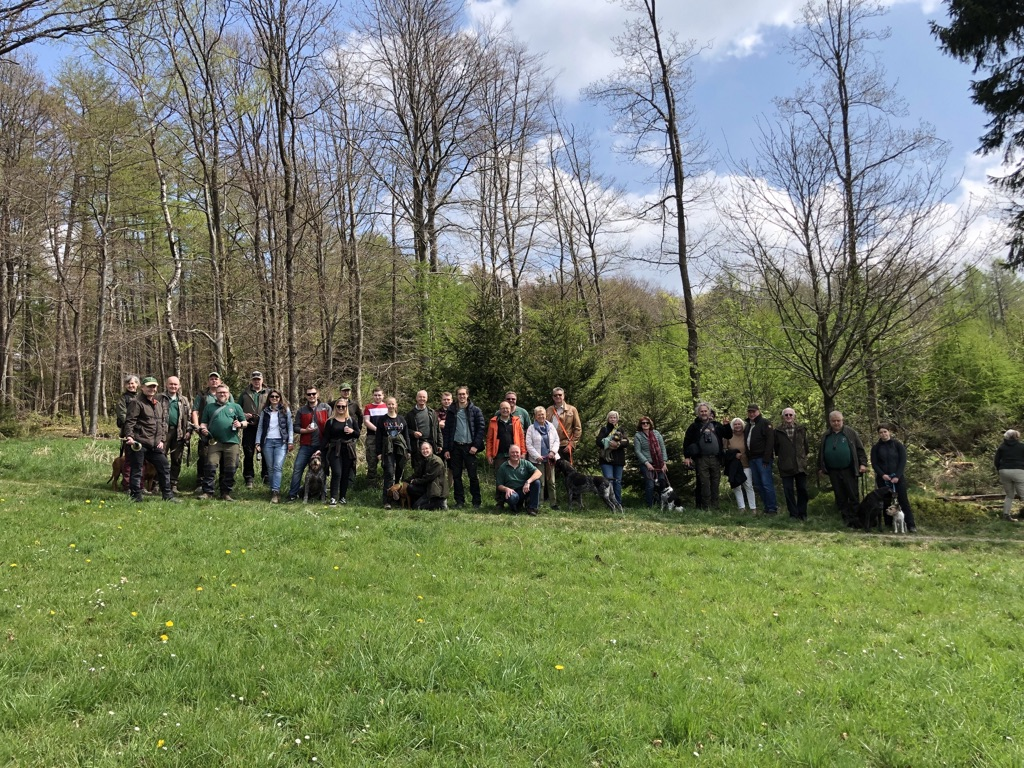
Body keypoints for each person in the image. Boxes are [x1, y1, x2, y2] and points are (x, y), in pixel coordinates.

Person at [123, 377, 178, 503]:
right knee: (137, 470)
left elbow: (162, 424)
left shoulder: (157, 404)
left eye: (154, 387)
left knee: (164, 466)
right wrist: (130, 437)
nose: (151, 389)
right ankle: (136, 496)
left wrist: (162, 440)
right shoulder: (136, 402)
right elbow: (130, 422)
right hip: (139, 442)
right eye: (149, 386)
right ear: (142, 387)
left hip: (155, 444)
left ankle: (168, 496)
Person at [197, 384, 247, 501]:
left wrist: (240, 424)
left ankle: (225, 492)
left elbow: (244, 422)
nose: (222, 394)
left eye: (224, 392)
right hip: (214, 442)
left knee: (230, 468)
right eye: (220, 392)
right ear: (216, 394)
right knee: (210, 466)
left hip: (232, 442)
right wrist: (203, 429)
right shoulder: (209, 407)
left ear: (228, 394)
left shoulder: (236, 407)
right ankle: (208, 492)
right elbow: (203, 422)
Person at [819, 410, 868, 526]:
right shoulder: (826, 435)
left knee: (852, 494)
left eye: (838, 420)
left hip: (848, 469)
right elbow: (821, 452)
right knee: (840, 495)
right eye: (833, 421)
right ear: (830, 422)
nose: (836, 423)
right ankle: (845, 518)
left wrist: (863, 464)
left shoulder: (850, 433)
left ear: (842, 420)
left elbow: (860, 449)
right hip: (833, 470)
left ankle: (856, 518)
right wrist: (821, 467)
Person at [442, 386, 486, 508]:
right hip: (455, 447)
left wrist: (476, 446)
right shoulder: (451, 411)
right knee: (456, 476)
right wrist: (446, 449)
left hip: (470, 448)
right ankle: (459, 501)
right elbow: (447, 431)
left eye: (463, 394)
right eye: (459, 394)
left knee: (473, 476)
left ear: (467, 395)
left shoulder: (475, 410)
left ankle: (476, 502)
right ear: (457, 396)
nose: (461, 396)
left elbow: (481, 429)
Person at [287, 385, 331, 502]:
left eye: (313, 394)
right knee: (298, 468)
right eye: (309, 394)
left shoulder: (325, 408)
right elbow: (295, 427)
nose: (311, 396)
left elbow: (331, 426)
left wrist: (328, 443)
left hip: (322, 445)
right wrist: (305, 431)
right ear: (306, 396)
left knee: (324, 470)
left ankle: (323, 495)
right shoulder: (302, 410)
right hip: (306, 445)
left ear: (318, 394)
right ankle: (293, 494)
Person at [871, 424, 917, 532]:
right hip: (883, 479)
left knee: (903, 501)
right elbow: (874, 463)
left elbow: (902, 461)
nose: (883, 434)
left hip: (897, 478)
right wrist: (882, 475)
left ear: (889, 432)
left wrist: (897, 475)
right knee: (886, 501)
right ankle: (888, 524)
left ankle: (910, 525)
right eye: (881, 432)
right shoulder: (876, 448)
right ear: (879, 434)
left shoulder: (897, 445)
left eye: (885, 432)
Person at [192, 371, 231, 495]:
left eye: (216, 379)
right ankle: (201, 483)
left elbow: (233, 409)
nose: (214, 381)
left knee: (224, 459)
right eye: (211, 379)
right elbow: (195, 411)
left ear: (220, 381)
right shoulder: (202, 396)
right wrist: (197, 427)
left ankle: (222, 485)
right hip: (206, 433)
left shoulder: (226, 394)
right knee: (204, 458)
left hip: (224, 434)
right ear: (208, 382)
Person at [684, 402, 725, 509]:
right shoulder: (694, 426)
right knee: (704, 483)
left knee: (715, 483)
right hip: (701, 459)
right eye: (701, 411)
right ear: (698, 413)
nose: (703, 413)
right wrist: (687, 457)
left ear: (709, 412)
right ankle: (705, 506)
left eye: (705, 411)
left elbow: (728, 434)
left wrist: (727, 425)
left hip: (716, 458)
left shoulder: (716, 425)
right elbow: (686, 441)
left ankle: (715, 506)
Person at [255, 389, 293, 503]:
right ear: (269, 398)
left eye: (277, 396)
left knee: (277, 467)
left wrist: (290, 441)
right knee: (270, 468)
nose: (274, 398)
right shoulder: (265, 411)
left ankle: (276, 492)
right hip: (267, 442)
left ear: (280, 398)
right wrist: (257, 442)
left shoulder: (285, 410)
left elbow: (290, 427)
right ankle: (273, 490)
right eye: (272, 396)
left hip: (281, 442)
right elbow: (260, 427)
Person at [322, 398, 360, 506]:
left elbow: (357, 434)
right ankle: (333, 497)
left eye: (343, 406)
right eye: (339, 406)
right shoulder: (330, 421)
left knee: (345, 474)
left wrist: (352, 431)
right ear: (335, 407)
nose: (341, 408)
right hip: (335, 449)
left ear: (346, 407)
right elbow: (326, 438)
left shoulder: (351, 420)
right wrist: (320, 450)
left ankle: (343, 497)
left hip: (348, 449)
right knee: (337, 472)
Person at [376, 397, 411, 509]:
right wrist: (378, 452)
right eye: (389, 404)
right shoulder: (382, 420)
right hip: (388, 450)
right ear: (386, 405)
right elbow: (378, 437)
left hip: (400, 449)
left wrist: (409, 450)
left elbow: (406, 436)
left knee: (399, 473)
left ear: (396, 405)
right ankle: (387, 500)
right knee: (389, 473)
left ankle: (398, 498)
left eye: (393, 404)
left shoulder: (402, 419)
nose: (391, 406)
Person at [775, 408, 809, 520]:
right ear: (783, 417)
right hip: (785, 465)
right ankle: (793, 514)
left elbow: (806, 446)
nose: (788, 416)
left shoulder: (802, 429)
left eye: (790, 415)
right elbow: (776, 448)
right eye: (786, 415)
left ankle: (802, 513)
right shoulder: (778, 431)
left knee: (802, 489)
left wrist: (803, 458)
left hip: (800, 465)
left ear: (794, 416)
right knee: (788, 490)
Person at [159, 375, 191, 494]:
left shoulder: (184, 400)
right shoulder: (159, 398)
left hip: (179, 433)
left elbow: (188, 417)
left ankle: (173, 484)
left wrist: (188, 431)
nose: (173, 386)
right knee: (160, 458)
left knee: (176, 459)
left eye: (175, 384)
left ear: (179, 386)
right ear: (166, 385)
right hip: (163, 433)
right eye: (171, 384)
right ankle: (158, 483)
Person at [745, 404, 778, 514]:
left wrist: (766, 458)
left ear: (758, 412)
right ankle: (766, 507)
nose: (751, 413)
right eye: (750, 411)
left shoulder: (765, 423)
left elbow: (770, 441)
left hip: (762, 459)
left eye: (753, 411)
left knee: (766, 483)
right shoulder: (749, 425)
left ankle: (772, 508)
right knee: (758, 484)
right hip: (752, 459)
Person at [526, 405, 560, 508]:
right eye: (539, 415)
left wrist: (553, 452)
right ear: (535, 416)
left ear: (546, 415)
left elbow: (556, 440)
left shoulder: (551, 426)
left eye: (543, 414)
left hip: (550, 459)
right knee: (540, 482)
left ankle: (553, 503)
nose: (541, 416)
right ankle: (539, 503)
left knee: (551, 482)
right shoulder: (531, 428)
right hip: (538, 460)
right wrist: (536, 456)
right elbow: (528, 444)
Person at [239, 371, 268, 489]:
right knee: (249, 452)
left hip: (265, 427)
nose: (257, 381)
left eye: (258, 379)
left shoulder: (269, 393)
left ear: (262, 380)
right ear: (251, 380)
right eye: (254, 379)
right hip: (250, 426)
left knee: (265, 452)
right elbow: (237, 409)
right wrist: (243, 415)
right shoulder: (245, 394)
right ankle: (249, 478)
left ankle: (266, 476)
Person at [494, 444, 542, 515]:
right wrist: (506, 489)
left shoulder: (525, 463)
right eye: (512, 452)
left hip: (524, 490)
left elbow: (538, 472)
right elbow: (499, 485)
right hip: (512, 492)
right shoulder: (503, 467)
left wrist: (528, 482)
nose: (515, 454)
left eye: (517, 452)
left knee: (536, 482)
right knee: (513, 498)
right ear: (509, 454)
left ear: (520, 454)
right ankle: (515, 507)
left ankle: (532, 508)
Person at [634, 416, 668, 508]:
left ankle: (662, 504)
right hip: (646, 464)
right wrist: (647, 463)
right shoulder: (638, 436)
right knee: (650, 484)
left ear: (650, 424)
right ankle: (650, 505)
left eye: (647, 423)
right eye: (643, 423)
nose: (645, 424)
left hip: (659, 463)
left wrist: (664, 462)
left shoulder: (656, 433)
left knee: (662, 482)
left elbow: (662, 447)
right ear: (640, 425)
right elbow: (638, 451)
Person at [406, 390, 443, 474]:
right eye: (420, 397)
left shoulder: (432, 413)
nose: (422, 399)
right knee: (418, 469)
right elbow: (405, 429)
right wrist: (413, 433)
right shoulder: (410, 414)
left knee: (431, 468)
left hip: (431, 444)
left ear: (427, 398)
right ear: (416, 398)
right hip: (417, 444)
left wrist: (440, 444)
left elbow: (437, 429)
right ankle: (418, 485)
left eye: (424, 397)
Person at [723, 417, 756, 511]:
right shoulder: (729, 436)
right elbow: (725, 451)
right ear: (732, 426)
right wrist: (734, 455)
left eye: (739, 424)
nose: (737, 426)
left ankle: (753, 508)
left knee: (748, 485)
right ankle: (741, 507)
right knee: (737, 487)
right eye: (735, 424)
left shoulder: (747, 435)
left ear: (742, 425)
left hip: (746, 464)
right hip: (734, 465)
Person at [596, 410, 627, 506]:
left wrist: (617, 444)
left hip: (619, 460)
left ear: (617, 419)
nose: (613, 419)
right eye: (611, 417)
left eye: (614, 417)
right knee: (609, 482)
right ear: (608, 419)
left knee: (617, 482)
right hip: (606, 460)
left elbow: (627, 442)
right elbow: (598, 442)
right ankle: (610, 504)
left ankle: (618, 503)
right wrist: (609, 444)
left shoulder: (621, 429)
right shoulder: (604, 429)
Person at [115, 374, 140, 491]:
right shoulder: (122, 399)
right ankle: (126, 485)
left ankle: (138, 485)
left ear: (137, 385)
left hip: (142, 433)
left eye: (133, 383)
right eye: (129, 383)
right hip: (129, 432)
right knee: (129, 460)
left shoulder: (141, 397)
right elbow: (123, 415)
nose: (131, 385)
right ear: (125, 385)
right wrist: (135, 424)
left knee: (141, 460)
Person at [407, 442, 449, 510]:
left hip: (436, 490)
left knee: (417, 507)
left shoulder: (437, 461)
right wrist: (405, 481)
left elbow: (429, 477)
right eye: (423, 449)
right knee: (411, 487)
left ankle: (440, 504)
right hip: (427, 487)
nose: (425, 451)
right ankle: (424, 502)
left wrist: (415, 481)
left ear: (431, 449)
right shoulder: (424, 460)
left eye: (426, 448)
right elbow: (417, 474)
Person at [486, 400, 526, 470]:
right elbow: (489, 440)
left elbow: (521, 437)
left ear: (510, 409)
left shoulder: (516, 421)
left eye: (507, 408)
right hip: (499, 455)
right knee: (500, 476)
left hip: (514, 454)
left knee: (515, 476)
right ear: (499, 410)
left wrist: (523, 452)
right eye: (503, 408)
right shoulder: (493, 422)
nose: (505, 410)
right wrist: (489, 455)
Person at [995, 429, 1024, 522]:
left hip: (1004, 470)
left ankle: (1006, 515)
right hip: (1019, 470)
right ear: (1017, 437)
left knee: (1009, 495)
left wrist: (999, 469)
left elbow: (996, 460)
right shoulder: (1022, 446)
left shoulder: (1002, 447)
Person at [547, 387, 582, 464]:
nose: (558, 397)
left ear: (563, 396)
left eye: (560, 395)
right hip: (551, 445)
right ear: (553, 397)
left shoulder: (572, 409)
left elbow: (578, 428)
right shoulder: (549, 410)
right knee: (552, 470)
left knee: (567, 471)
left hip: (565, 445)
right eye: (555, 395)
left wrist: (572, 444)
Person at [362, 387, 388, 482]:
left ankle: (386, 482)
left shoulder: (387, 406)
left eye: (379, 395)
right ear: (373, 396)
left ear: (383, 396)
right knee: (372, 460)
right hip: (372, 437)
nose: (377, 397)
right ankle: (371, 483)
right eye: (375, 395)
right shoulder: (368, 407)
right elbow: (366, 421)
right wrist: (377, 429)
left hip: (385, 437)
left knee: (386, 460)